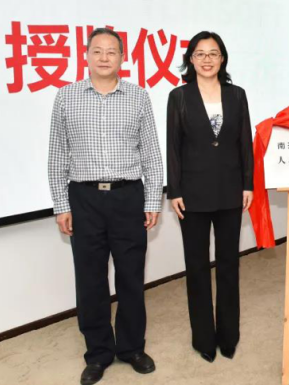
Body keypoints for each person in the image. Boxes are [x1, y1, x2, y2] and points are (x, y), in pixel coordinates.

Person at [48, 28, 163, 385]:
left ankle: (132, 348)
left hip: (128, 196)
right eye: (97, 51)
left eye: (111, 51)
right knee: (90, 280)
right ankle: (98, 354)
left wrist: (152, 199)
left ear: (122, 58)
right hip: (83, 199)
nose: (103, 57)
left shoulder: (138, 97)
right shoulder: (66, 97)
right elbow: (57, 155)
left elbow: (151, 153)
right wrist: (61, 204)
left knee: (131, 276)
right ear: (86, 56)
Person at [166, 31, 254, 363]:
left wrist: (248, 184)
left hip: (231, 191)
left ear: (222, 59)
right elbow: (173, 147)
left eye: (213, 53)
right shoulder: (179, 97)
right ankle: (203, 337)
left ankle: (229, 335)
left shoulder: (236, 95)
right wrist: (174, 190)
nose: (207, 59)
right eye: (200, 54)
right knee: (197, 267)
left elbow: (244, 142)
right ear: (190, 59)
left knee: (229, 264)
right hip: (192, 195)